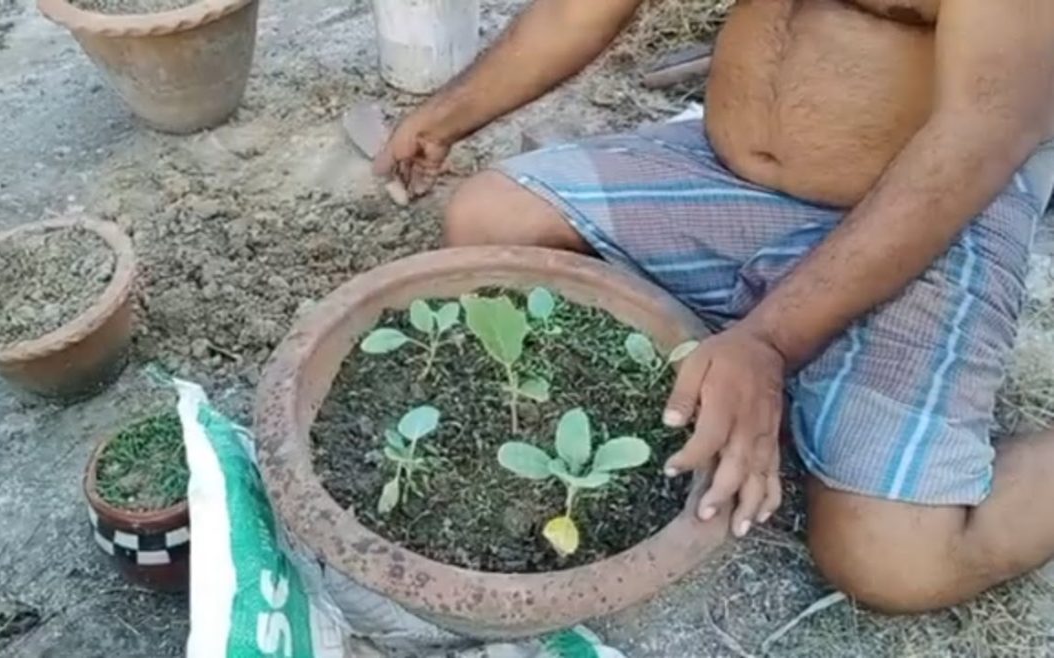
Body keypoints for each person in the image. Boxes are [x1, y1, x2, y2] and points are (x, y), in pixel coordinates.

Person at [374, 0, 1054, 613]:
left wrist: (770, 343)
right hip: (726, 177)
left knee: (894, 562)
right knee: (491, 222)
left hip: (923, 218)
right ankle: (757, 361)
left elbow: (977, 135)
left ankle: (773, 356)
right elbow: (578, 10)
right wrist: (446, 115)